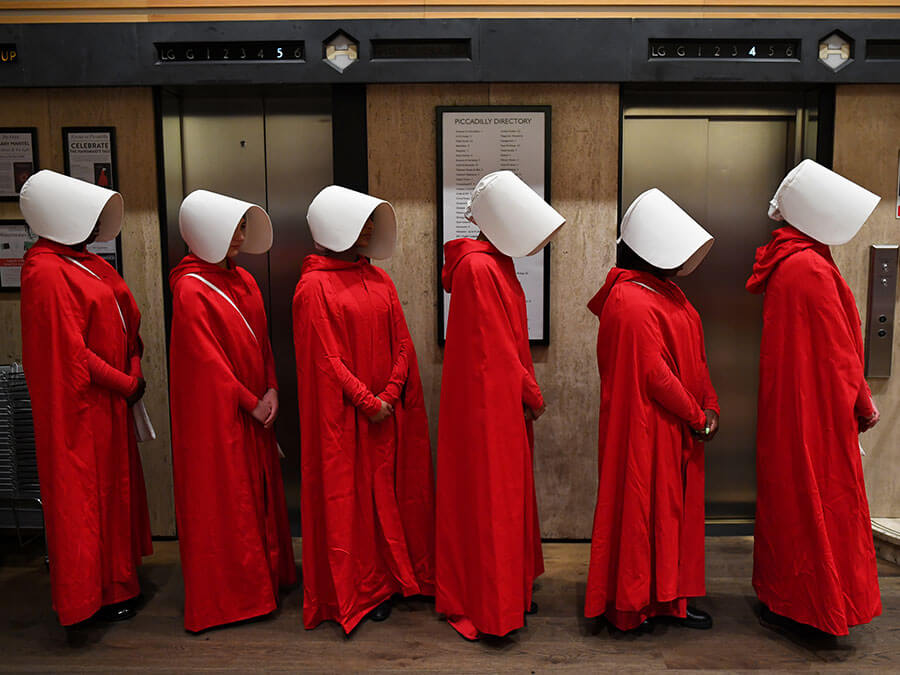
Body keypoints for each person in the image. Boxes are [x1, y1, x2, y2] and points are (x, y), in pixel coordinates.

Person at [747, 159, 882, 636]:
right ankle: (817, 605)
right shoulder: (810, 267)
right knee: (823, 503)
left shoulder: (788, 263)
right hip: (819, 412)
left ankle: (786, 599)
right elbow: (838, 351)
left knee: (790, 502)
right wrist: (862, 402)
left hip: (791, 408)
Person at [293, 185, 434, 633]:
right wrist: (368, 401)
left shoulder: (379, 278)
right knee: (349, 500)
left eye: (373, 221)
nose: (371, 229)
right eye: (364, 220)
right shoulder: (314, 286)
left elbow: (403, 341)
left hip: (382, 415)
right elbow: (326, 358)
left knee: (387, 496)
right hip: (350, 420)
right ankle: (359, 586)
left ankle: (391, 577)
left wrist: (390, 394)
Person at [19, 170, 152, 626]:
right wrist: (124, 381)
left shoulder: (89, 263)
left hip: (112, 402)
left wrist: (132, 371)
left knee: (114, 493)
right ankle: (90, 595)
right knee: (86, 497)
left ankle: (119, 579)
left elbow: (128, 326)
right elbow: (71, 353)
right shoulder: (45, 270)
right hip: (83, 409)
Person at [435, 170, 565, 640]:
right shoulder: (479, 268)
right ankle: (489, 603)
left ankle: (505, 591)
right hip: (488, 408)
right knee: (493, 499)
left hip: (496, 402)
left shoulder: (491, 263)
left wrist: (524, 389)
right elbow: (495, 347)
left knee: (500, 497)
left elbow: (503, 344)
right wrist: (530, 391)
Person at [583, 188, 719, 633]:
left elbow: (694, 359)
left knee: (669, 515)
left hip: (676, 426)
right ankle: (633, 602)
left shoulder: (666, 291)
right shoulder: (630, 299)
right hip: (647, 427)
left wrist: (710, 403)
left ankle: (670, 600)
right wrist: (698, 416)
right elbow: (654, 374)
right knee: (642, 511)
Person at [169, 189, 296, 633]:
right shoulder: (189, 289)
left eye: (243, 227)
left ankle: (267, 577)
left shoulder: (245, 281)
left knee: (257, 494)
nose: (240, 236)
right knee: (230, 500)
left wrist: (272, 388)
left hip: (257, 409)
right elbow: (207, 363)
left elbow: (263, 344)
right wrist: (250, 401)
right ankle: (236, 596)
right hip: (223, 417)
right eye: (233, 227)